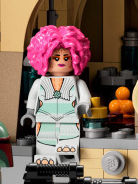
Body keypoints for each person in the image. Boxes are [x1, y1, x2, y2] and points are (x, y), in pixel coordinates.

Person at [22, 25, 91, 164]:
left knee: (68, 141)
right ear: (45, 58)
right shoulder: (39, 83)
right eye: (56, 58)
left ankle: (69, 158)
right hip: (45, 119)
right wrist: (29, 113)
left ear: (76, 58)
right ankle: (45, 157)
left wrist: (83, 105)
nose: (61, 61)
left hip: (69, 120)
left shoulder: (78, 83)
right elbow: (33, 98)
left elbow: (85, 98)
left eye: (66, 57)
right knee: (44, 139)